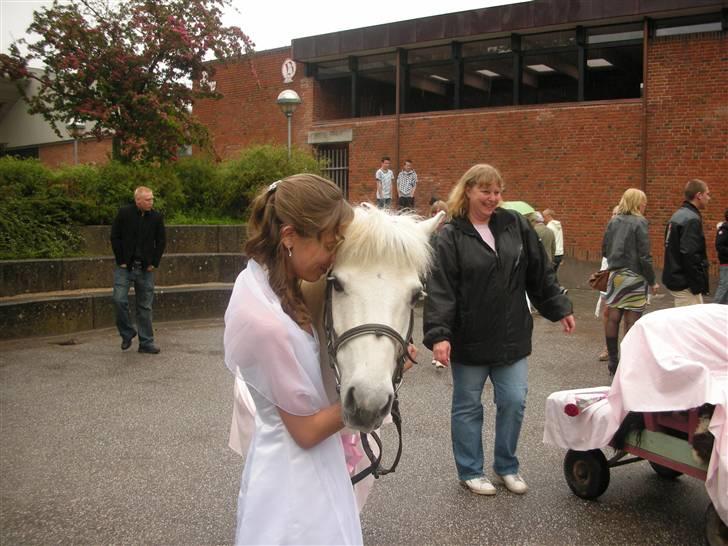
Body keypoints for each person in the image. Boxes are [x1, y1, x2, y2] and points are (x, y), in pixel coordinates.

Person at [223, 174, 362, 545]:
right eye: (329, 245)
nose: (333, 258)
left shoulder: (276, 287)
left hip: (308, 467)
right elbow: (306, 431)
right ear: (289, 237)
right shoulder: (267, 321)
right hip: (294, 487)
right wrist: (367, 396)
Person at [423, 164, 575, 496]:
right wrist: (440, 335)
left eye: (497, 191)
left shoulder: (514, 225)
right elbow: (441, 289)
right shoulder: (450, 235)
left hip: (511, 335)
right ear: (468, 192)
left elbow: (539, 271)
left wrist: (559, 306)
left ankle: (506, 465)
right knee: (467, 405)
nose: (493, 198)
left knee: (514, 400)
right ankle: (470, 470)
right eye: (485, 192)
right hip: (469, 337)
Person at [601, 188, 659, 375]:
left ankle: (612, 360)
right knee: (631, 321)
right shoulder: (640, 222)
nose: (645, 205)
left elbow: (604, 248)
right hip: (635, 276)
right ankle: (627, 362)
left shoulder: (614, 221)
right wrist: (652, 280)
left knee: (613, 317)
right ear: (636, 203)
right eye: (643, 202)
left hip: (616, 274)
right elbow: (644, 255)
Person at [110, 186, 166, 354]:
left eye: (152, 199)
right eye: (148, 200)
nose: (151, 202)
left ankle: (146, 342)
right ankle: (127, 332)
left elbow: (161, 241)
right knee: (118, 299)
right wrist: (120, 260)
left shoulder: (156, 217)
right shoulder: (124, 213)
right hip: (125, 266)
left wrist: (154, 262)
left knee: (145, 307)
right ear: (138, 201)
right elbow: (115, 236)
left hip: (145, 268)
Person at [663, 179, 711, 306]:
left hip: (677, 278)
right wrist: (697, 284)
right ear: (699, 195)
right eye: (707, 194)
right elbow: (690, 254)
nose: (709, 198)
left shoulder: (678, 215)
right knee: (689, 322)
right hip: (685, 283)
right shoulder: (691, 219)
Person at [714, 209, 728, 304]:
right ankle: (714, 307)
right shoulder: (724, 230)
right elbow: (719, 246)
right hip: (726, 263)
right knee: (724, 285)